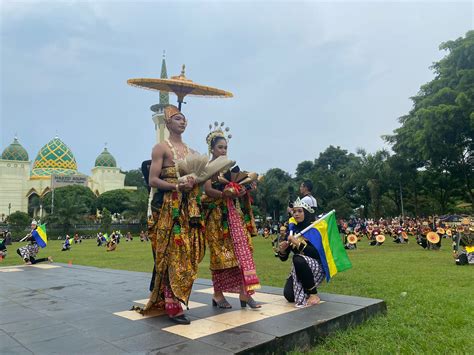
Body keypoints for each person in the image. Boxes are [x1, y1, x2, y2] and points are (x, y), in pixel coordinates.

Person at [133, 105, 205, 325]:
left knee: (190, 252)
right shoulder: (160, 149)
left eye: (184, 119)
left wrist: (194, 181)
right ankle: (172, 303)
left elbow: (200, 179)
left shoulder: (193, 152)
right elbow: (153, 180)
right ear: (167, 124)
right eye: (177, 118)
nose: (182, 122)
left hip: (189, 210)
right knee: (172, 252)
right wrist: (176, 187)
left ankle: (177, 295)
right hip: (168, 208)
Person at [203, 124, 261, 309]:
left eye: (225, 147)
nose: (223, 150)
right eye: (220, 147)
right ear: (211, 148)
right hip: (217, 218)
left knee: (245, 251)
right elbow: (207, 190)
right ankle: (218, 295)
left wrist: (244, 189)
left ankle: (246, 293)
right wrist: (224, 194)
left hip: (233, 215)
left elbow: (239, 185)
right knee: (220, 256)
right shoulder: (207, 167)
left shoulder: (232, 167)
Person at [278, 198, 324, 307]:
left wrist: (298, 244)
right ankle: (306, 288)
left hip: (316, 266)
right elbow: (284, 258)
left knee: (297, 258)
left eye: (300, 211)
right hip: (299, 266)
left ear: (306, 212)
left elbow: (317, 254)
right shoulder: (292, 231)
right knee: (289, 296)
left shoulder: (314, 229)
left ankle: (313, 294)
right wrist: (282, 251)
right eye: (294, 211)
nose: (296, 214)